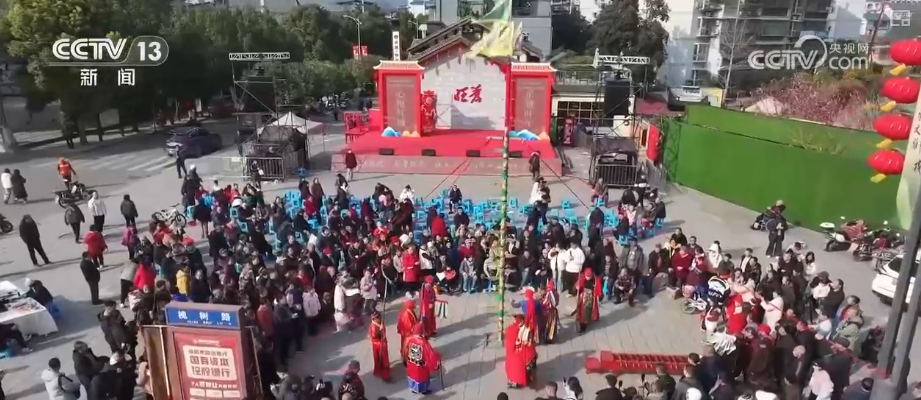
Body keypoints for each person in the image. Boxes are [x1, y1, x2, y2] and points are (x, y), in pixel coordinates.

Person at [404, 323, 441, 395]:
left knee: (413, 375)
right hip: (420, 365)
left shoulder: (409, 339)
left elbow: (405, 350)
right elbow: (429, 354)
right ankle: (423, 390)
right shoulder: (423, 342)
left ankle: (413, 388)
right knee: (421, 377)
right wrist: (436, 357)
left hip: (411, 362)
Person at [574, 269, 600, 334]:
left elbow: (597, 289)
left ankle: (585, 323)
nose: (588, 278)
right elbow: (578, 286)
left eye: (589, 276)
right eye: (586, 276)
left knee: (588, 310)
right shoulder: (582, 278)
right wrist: (577, 287)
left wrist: (597, 295)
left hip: (590, 297)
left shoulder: (595, 280)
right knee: (582, 311)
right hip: (583, 297)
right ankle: (583, 324)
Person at [368, 311, 391, 382]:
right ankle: (385, 375)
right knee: (382, 359)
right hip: (378, 344)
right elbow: (374, 335)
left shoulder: (379, 323)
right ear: (375, 319)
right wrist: (380, 331)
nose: (380, 318)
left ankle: (383, 371)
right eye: (379, 317)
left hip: (381, 343)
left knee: (382, 358)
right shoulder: (373, 326)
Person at [396, 299, 419, 365]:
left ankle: (407, 357)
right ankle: (407, 359)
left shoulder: (408, 311)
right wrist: (415, 329)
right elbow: (408, 326)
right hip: (408, 334)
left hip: (406, 333)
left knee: (405, 345)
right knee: (407, 346)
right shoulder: (406, 314)